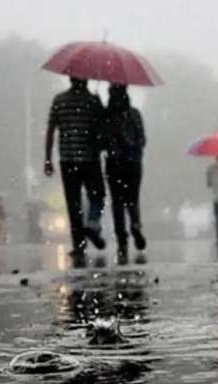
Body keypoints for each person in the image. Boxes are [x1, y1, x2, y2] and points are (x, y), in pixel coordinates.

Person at [44, 77, 106, 258]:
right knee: (98, 194)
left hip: (67, 160)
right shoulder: (93, 101)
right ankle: (93, 223)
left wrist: (48, 159)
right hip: (90, 159)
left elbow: (51, 130)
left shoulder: (59, 100)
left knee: (74, 203)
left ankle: (79, 245)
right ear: (86, 80)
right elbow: (102, 128)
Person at [103, 84, 147, 265]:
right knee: (132, 199)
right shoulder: (135, 114)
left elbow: (101, 141)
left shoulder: (107, 117)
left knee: (117, 202)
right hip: (133, 164)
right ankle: (135, 225)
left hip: (114, 165)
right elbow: (142, 139)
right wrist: (131, 146)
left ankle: (122, 238)